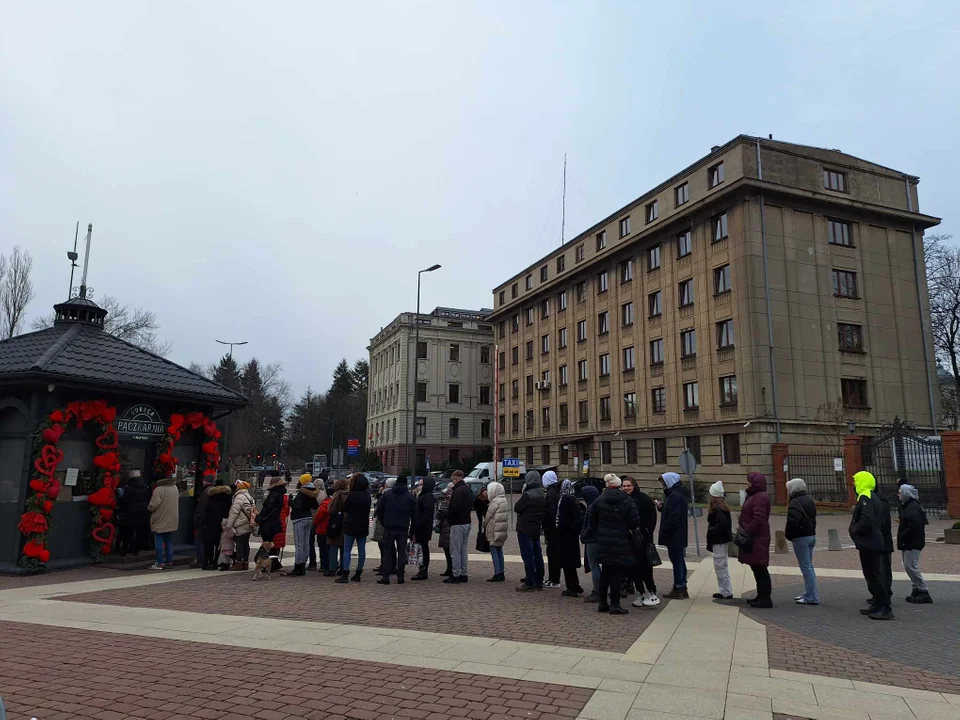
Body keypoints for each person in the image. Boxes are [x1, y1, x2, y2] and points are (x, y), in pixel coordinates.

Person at [588, 474, 642, 614]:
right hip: (622, 541)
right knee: (617, 574)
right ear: (619, 485)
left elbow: (592, 521)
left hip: (603, 541)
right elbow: (635, 521)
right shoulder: (627, 500)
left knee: (606, 571)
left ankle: (603, 602)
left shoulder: (599, 500)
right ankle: (615, 603)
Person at [850, 471, 894, 619]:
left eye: (856, 481)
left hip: (870, 541)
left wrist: (855, 530)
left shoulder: (866, 496)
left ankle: (885, 607)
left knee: (873, 575)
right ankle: (877, 604)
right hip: (871, 541)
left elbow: (867, 519)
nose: (854, 484)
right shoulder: (870, 496)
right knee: (872, 574)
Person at [622, 477, 660, 607]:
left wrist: (647, 533)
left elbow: (652, 518)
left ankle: (651, 591)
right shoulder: (623, 500)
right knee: (633, 568)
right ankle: (640, 592)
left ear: (634, 486)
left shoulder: (644, 499)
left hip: (643, 539)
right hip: (629, 540)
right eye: (624, 486)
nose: (626, 488)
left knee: (645, 567)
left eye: (628, 486)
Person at [738, 472, 773, 608]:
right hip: (756, 536)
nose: (747, 484)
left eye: (749, 482)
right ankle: (761, 595)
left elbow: (759, 518)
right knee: (757, 567)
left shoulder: (759, 497)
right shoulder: (755, 495)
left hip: (757, 537)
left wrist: (747, 529)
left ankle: (765, 598)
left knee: (760, 568)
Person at [376, 474, 418, 584]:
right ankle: (400, 577)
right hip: (403, 527)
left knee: (387, 552)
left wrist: (384, 521)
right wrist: (412, 530)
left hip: (389, 526)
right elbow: (415, 516)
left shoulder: (387, 494)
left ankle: (385, 577)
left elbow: (379, 509)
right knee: (401, 552)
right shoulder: (410, 497)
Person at [784, 477, 818, 605]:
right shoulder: (809, 500)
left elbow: (793, 522)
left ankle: (812, 596)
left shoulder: (795, 502)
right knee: (809, 566)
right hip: (810, 535)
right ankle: (809, 593)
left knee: (806, 567)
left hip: (800, 537)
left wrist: (789, 535)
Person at [657, 472, 690, 599]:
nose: (663, 486)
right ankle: (682, 586)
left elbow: (673, 516)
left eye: (664, 483)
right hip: (679, 533)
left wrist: (665, 528)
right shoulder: (678, 494)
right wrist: (662, 507)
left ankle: (679, 586)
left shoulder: (674, 495)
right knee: (679, 560)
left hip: (674, 534)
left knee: (677, 561)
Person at [898, 484, 931, 604]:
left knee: (910, 566)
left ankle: (923, 590)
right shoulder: (908, 506)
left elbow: (914, 525)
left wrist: (903, 535)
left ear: (906, 494)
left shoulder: (912, 507)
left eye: (900, 492)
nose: (898, 495)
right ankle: (916, 589)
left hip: (912, 541)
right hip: (909, 540)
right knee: (908, 565)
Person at [514, 470, 546, 592]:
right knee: (538, 554)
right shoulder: (543, 493)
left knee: (528, 555)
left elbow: (517, 507)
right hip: (536, 527)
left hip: (525, 527)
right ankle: (539, 580)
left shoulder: (528, 494)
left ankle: (529, 581)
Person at [338, 473, 371, 583]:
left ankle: (345, 572)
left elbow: (345, 508)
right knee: (361, 550)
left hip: (351, 524)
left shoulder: (352, 495)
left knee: (347, 549)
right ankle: (358, 572)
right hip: (363, 524)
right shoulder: (367, 495)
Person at [554, 479, 584, 597]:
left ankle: (571, 587)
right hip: (571, 535)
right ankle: (575, 584)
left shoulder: (565, 499)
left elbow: (562, 518)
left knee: (567, 562)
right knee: (570, 562)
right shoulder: (572, 498)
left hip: (565, 535)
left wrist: (559, 529)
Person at [288, 474, 321, 576]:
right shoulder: (312, 491)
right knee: (306, 543)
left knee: (299, 544)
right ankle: (303, 565)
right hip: (308, 517)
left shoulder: (302, 492)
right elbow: (315, 505)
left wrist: (291, 502)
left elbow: (298, 507)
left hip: (299, 518)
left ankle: (298, 566)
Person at [706, 481, 733, 600]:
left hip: (719, 541)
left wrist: (711, 530)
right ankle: (725, 590)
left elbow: (722, 525)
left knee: (720, 566)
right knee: (722, 566)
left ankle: (726, 591)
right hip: (721, 540)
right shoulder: (722, 508)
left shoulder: (718, 510)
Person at [445, 470, 473, 584]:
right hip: (467, 521)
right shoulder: (468, 489)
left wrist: (449, 519)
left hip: (457, 523)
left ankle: (455, 574)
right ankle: (464, 573)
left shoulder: (457, 491)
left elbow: (454, 508)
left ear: (456, 478)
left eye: (453, 479)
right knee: (463, 550)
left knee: (455, 550)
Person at [147, 475, 179, 569]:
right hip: (171, 517)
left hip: (160, 517)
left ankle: (159, 562)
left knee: (159, 540)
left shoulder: (159, 489)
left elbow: (154, 505)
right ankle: (169, 561)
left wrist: (149, 507)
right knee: (168, 540)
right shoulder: (174, 487)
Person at [256, 476, 288, 570]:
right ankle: (273, 563)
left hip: (268, 523)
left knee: (267, 544)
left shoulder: (274, 495)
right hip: (275, 522)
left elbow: (268, 508)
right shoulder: (281, 495)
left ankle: (268, 564)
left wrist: (260, 517)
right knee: (271, 544)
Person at [116, 470, 150, 556]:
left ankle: (124, 550)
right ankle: (136, 549)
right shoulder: (146, 487)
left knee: (127, 531)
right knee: (139, 532)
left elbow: (125, 501)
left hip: (131, 512)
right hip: (143, 512)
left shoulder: (129, 488)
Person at [200, 480, 233, 570]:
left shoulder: (211, 498)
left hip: (210, 523)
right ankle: (217, 561)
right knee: (220, 544)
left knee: (209, 544)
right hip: (223, 523)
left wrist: (202, 523)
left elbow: (205, 512)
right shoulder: (228, 499)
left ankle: (208, 562)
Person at [226, 480, 255, 570]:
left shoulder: (239, 497)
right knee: (246, 544)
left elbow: (234, 512)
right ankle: (245, 563)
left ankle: (238, 563)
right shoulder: (249, 497)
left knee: (239, 544)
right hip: (249, 523)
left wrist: (229, 525)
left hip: (241, 524)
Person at [411, 477, 436, 580]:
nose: (418, 486)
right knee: (422, 548)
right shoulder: (423, 496)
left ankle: (423, 571)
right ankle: (422, 569)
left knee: (423, 549)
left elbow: (426, 514)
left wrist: (418, 526)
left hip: (423, 527)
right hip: (422, 526)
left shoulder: (427, 497)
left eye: (421, 484)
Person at [579, 484, 601, 602]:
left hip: (592, 540)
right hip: (599, 539)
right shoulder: (599, 504)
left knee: (594, 566)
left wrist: (583, 536)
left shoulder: (592, 507)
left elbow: (590, 526)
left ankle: (597, 591)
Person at [483, 481, 508, 581]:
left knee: (494, 551)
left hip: (494, 529)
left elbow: (488, 516)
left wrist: (484, 524)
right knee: (499, 551)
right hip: (501, 530)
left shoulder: (495, 501)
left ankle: (497, 573)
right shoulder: (504, 500)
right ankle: (501, 572)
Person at [541, 470, 562, 588]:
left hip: (552, 529)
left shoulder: (550, 493)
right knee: (554, 554)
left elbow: (550, 512)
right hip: (556, 529)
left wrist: (546, 526)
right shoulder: (557, 491)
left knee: (552, 554)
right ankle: (554, 578)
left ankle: (554, 579)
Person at [326, 479, 349, 576]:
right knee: (344, 548)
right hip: (346, 524)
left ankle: (332, 568)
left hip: (335, 523)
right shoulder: (349, 495)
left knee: (333, 547)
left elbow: (331, 510)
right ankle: (344, 568)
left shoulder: (337, 496)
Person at [313, 487, 333, 574]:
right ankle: (332, 564)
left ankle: (325, 565)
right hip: (331, 529)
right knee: (330, 548)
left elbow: (318, 517)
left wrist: (315, 523)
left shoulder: (324, 504)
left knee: (323, 549)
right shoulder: (333, 503)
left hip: (322, 530)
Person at [436, 483, 454, 577]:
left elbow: (440, 513)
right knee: (449, 550)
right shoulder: (453, 499)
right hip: (448, 526)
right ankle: (449, 569)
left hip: (446, 526)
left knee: (448, 550)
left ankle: (450, 569)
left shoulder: (446, 500)